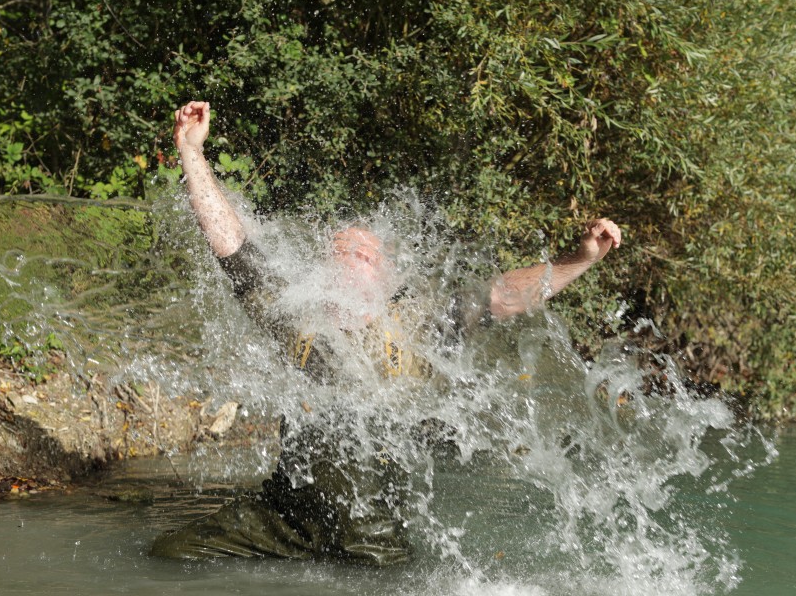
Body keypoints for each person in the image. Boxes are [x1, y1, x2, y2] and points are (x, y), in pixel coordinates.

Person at [150, 101, 622, 565]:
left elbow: (503, 296)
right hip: (283, 516)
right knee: (166, 554)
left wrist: (577, 259)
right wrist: (192, 153)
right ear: (321, 268)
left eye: (367, 253)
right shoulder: (294, 312)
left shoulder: (419, 322)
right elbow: (233, 249)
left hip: (369, 531)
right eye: (343, 248)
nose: (354, 251)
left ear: (388, 277)